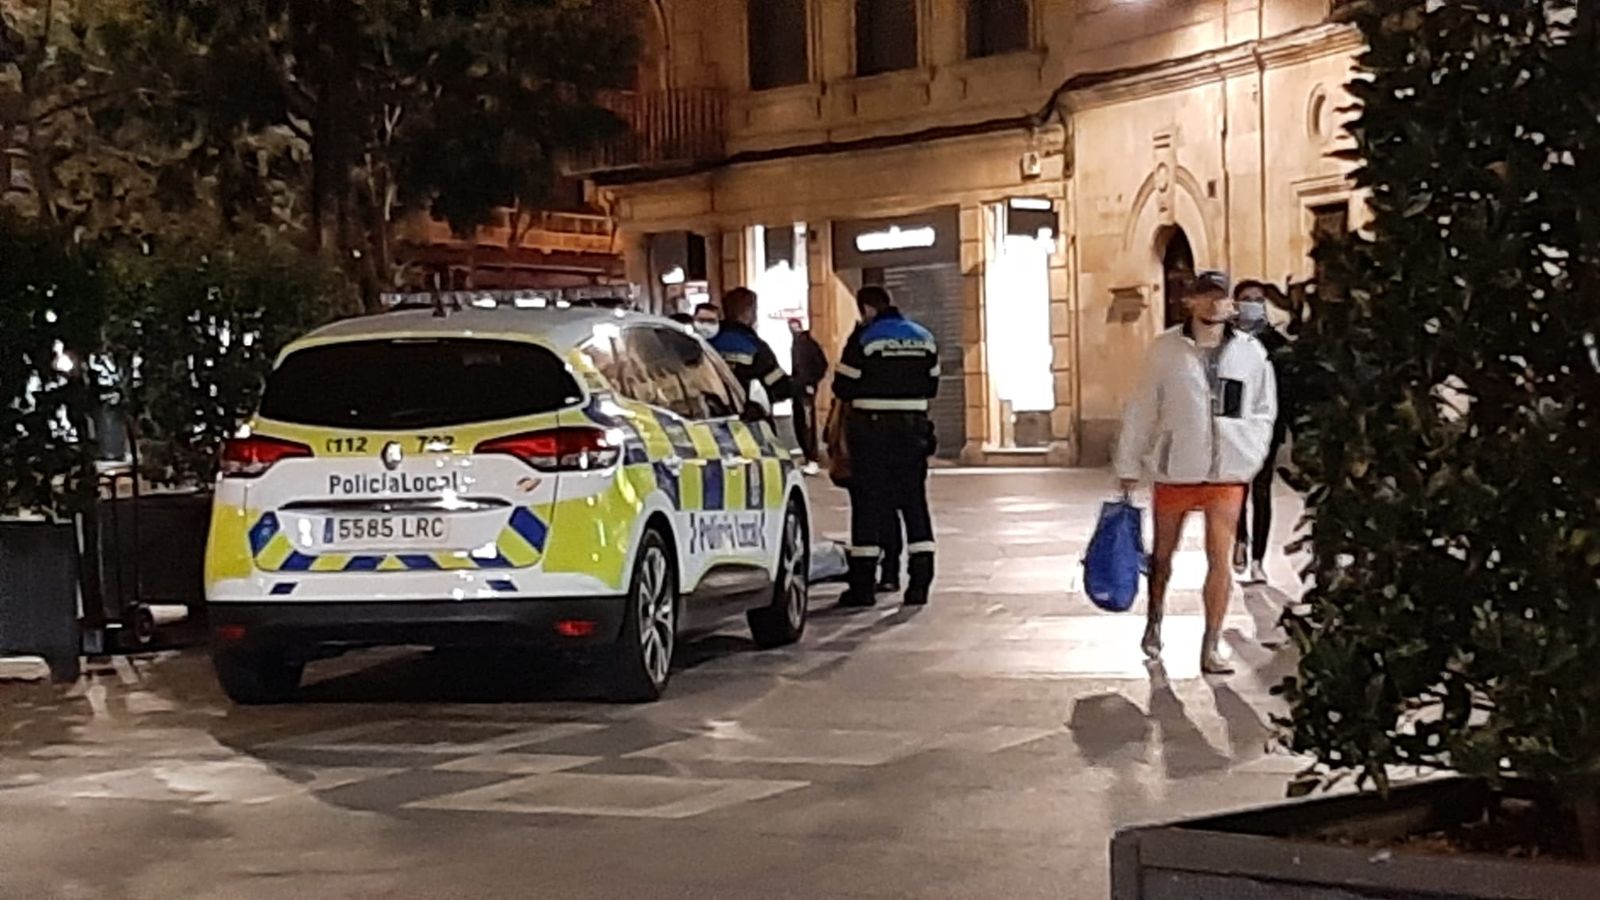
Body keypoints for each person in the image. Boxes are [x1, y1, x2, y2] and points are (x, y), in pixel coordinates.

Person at [1116, 270, 1277, 675]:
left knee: (1219, 559)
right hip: (1177, 470)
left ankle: (1212, 643)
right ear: (1190, 301)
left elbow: (1262, 408)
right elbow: (1143, 408)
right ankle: (1154, 620)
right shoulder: (1165, 350)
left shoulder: (1249, 352)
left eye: (1219, 297)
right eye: (1204, 296)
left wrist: (1250, 452)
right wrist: (1129, 462)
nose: (1213, 304)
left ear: (1230, 303)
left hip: (1227, 472)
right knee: (1163, 557)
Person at [834, 285, 940, 607]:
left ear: (867, 309)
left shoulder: (865, 338)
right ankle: (919, 583)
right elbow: (932, 384)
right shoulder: (923, 336)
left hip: (872, 434)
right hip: (913, 433)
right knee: (914, 505)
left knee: (869, 507)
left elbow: (843, 385)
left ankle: (863, 587)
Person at [1230, 280, 1291, 586]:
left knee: (1262, 490)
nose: (1252, 304)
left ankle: (1258, 560)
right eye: (1246, 299)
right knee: (1238, 488)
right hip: (1234, 429)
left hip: (1266, 428)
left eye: (1257, 299)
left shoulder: (1275, 342)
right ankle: (1239, 539)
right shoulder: (1225, 339)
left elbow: (1287, 388)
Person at [709, 287, 793, 407]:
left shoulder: (707, 341)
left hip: (711, 416)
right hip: (747, 417)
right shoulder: (753, 346)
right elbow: (779, 386)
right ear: (748, 311)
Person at [788, 318, 829, 476]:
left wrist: (812, 382)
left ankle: (813, 458)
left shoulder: (807, 343)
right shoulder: (797, 342)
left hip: (806, 389)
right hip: (798, 388)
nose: (792, 329)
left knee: (806, 423)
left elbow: (821, 364)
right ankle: (808, 457)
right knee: (800, 421)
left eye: (794, 326)